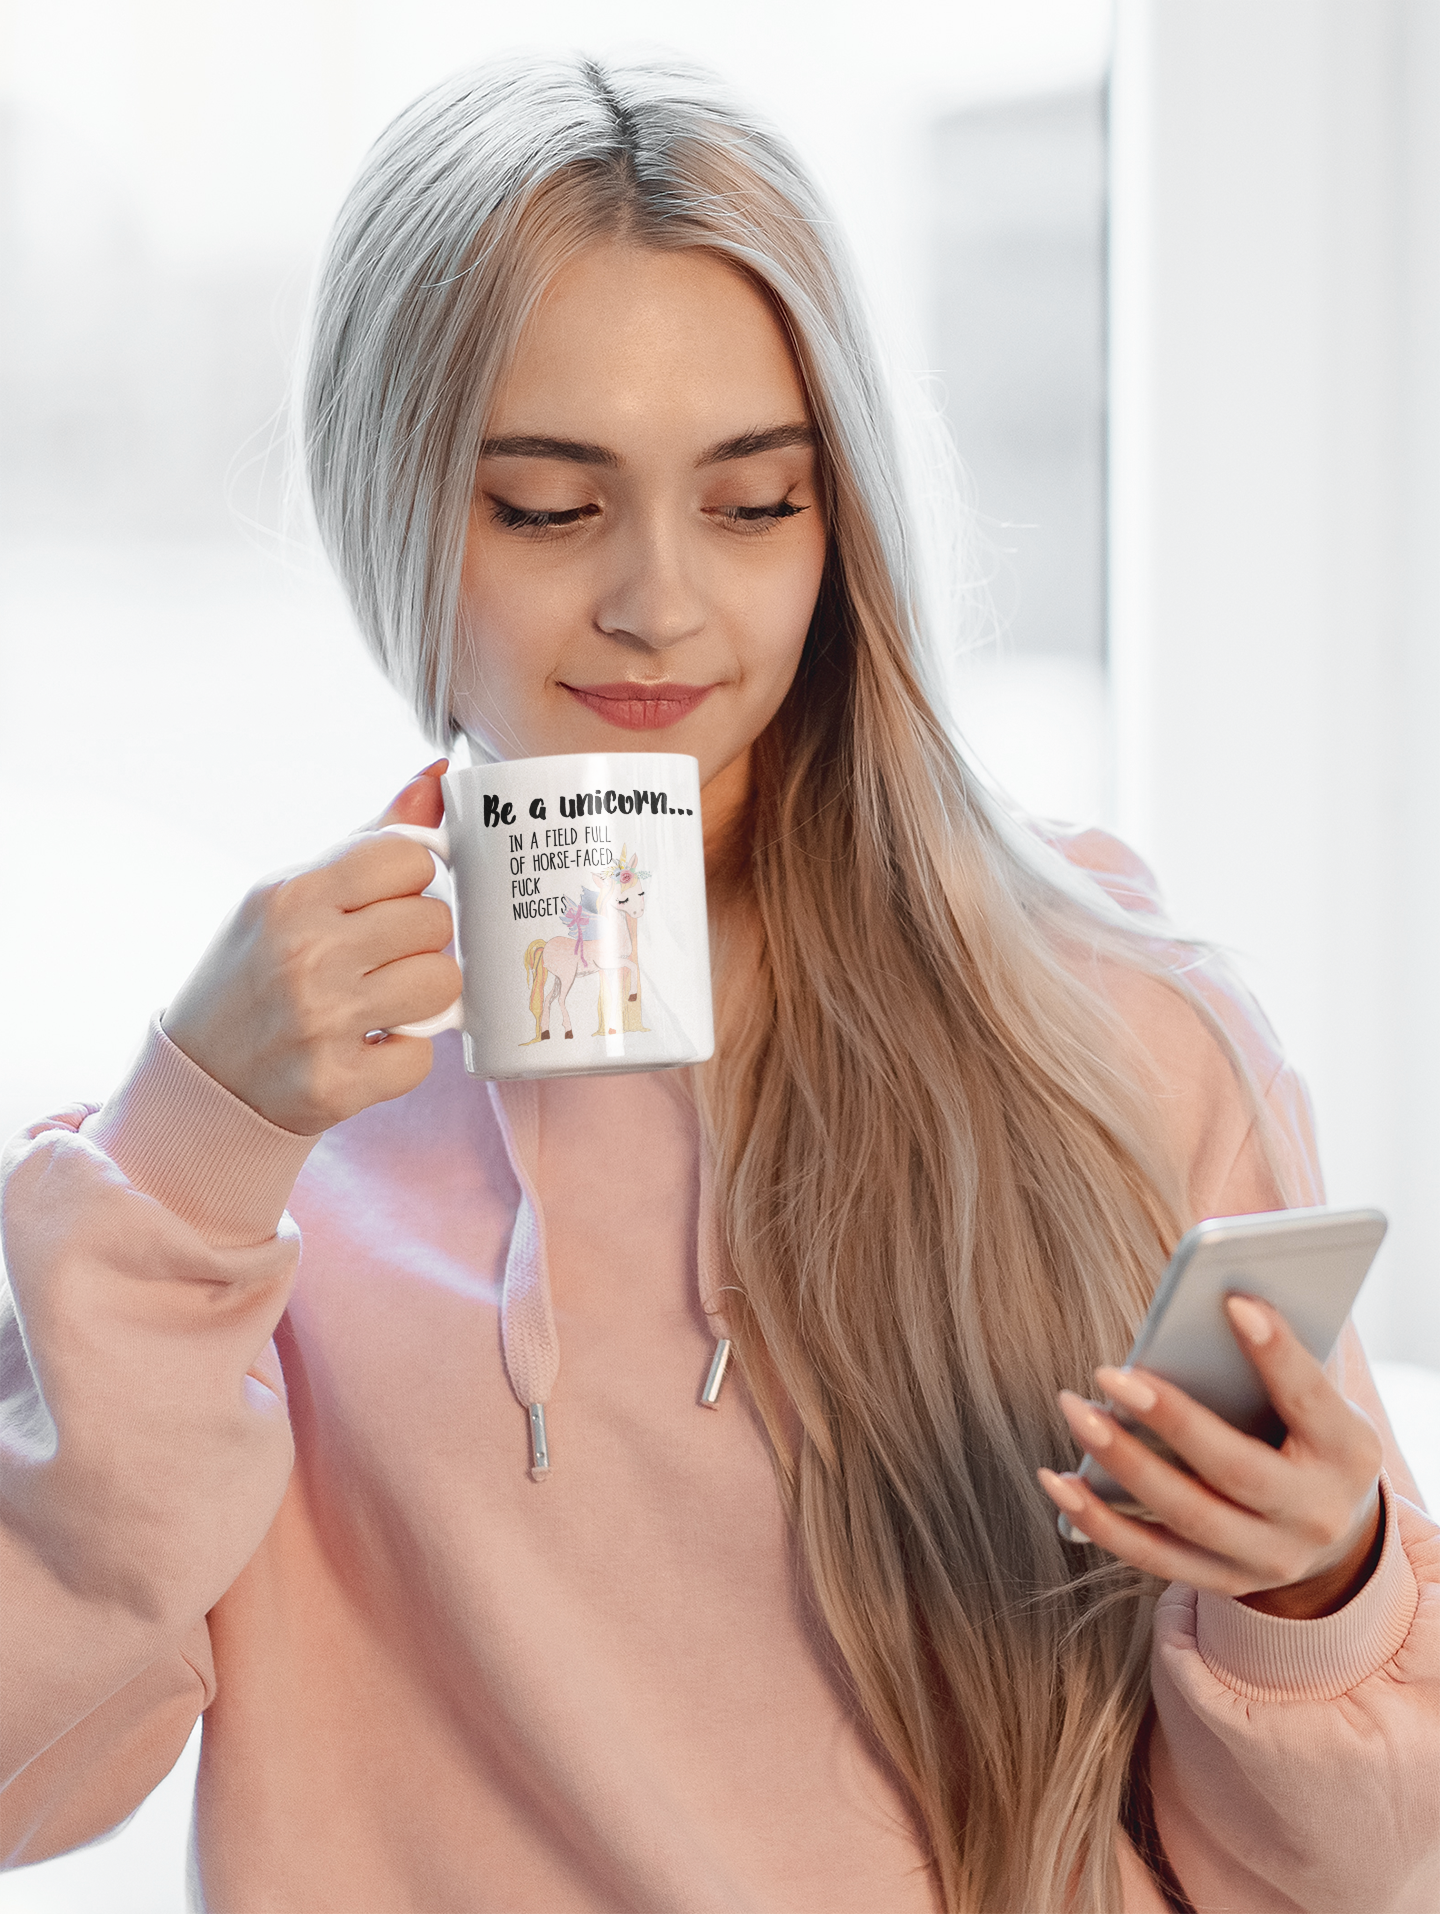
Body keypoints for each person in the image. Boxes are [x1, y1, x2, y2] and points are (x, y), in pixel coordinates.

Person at [1, 55, 1436, 1914]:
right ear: (391, 503)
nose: (661, 603)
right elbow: (32, 1768)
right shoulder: (250, 1156)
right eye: (544, 507)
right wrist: (187, 1156)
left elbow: (1347, 1879)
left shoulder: (1113, 1031)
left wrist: (1315, 1593)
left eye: (754, 504)